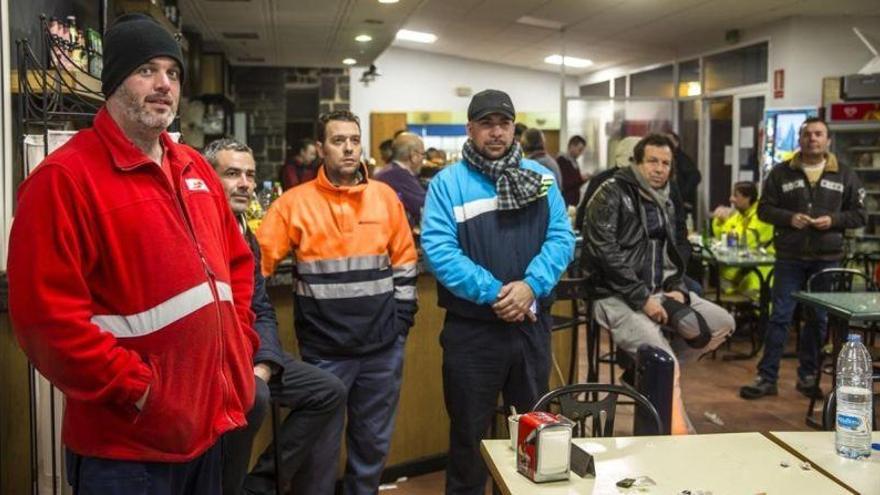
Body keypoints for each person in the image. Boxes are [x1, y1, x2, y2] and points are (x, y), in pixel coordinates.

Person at [8, 14, 256, 494]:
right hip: (126, 451)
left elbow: (238, 267)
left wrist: (239, 349)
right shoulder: (64, 179)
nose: (164, 84)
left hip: (207, 430)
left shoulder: (195, 169)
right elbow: (46, 323)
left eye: (173, 72)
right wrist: (142, 393)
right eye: (146, 70)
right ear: (113, 81)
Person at [421, 89, 575, 495]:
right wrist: (496, 293)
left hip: (529, 329)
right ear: (470, 129)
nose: (496, 132)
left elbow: (561, 239)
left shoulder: (540, 180)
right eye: (487, 123)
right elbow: (439, 250)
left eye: (503, 123)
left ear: (513, 128)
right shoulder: (447, 184)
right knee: (469, 437)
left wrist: (530, 286)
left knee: (533, 432)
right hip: (472, 333)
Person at [257, 110, 419, 495]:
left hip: (382, 348)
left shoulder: (385, 198)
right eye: (337, 140)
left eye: (354, 140)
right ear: (320, 148)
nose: (348, 148)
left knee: (372, 446)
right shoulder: (294, 204)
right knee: (319, 454)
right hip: (325, 354)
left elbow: (405, 262)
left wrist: (400, 322)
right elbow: (255, 269)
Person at [205, 139, 346, 495]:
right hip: (217, 360)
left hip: (252, 353)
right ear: (208, 177)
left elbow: (262, 307)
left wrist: (264, 363)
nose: (245, 184)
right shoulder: (199, 233)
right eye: (232, 174)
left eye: (250, 175)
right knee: (254, 400)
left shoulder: (246, 233)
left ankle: (259, 486)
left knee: (327, 390)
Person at [582, 134, 734, 435]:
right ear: (636, 162)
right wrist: (642, 298)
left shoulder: (669, 195)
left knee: (722, 323)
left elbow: (679, 242)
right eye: (652, 161)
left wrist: (677, 283)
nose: (659, 168)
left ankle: (644, 376)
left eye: (666, 163)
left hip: (661, 289)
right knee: (666, 363)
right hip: (615, 294)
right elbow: (605, 252)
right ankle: (681, 441)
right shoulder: (610, 192)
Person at [740, 117, 866, 400]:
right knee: (779, 316)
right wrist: (789, 218)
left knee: (818, 319)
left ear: (828, 140)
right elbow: (763, 210)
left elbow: (860, 215)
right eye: (807, 134)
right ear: (800, 139)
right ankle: (766, 377)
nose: (812, 139)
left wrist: (832, 220)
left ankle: (809, 377)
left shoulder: (845, 174)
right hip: (790, 256)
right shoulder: (780, 173)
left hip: (827, 258)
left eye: (818, 134)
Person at [710, 181, 774, 298]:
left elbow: (743, 242)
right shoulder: (740, 214)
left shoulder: (762, 216)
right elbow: (722, 237)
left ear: (747, 198)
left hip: (763, 269)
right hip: (741, 269)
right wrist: (719, 220)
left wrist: (728, 228)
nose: (731, 199)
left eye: (735, 196)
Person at [374, 132, 428, 227]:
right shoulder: (399, 176)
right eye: (423, 154)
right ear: (413, 156)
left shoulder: (387, 172)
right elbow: (426, 206)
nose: (423, 160)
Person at [667, 131, 701, 219]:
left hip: (681, 204)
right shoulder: (668, 157)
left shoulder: (681, 158)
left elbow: (695, 176)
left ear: (676, 143)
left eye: (669, 141)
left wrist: (682, 195)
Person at [557, 135, 588, 207]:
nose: (581, 153)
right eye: (579, 150)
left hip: (572, 202)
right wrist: (581, 179)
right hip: (565, 201)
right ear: (571, 146)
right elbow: (565, 183)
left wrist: (582, 179)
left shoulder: (573, 162)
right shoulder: (562, 161)